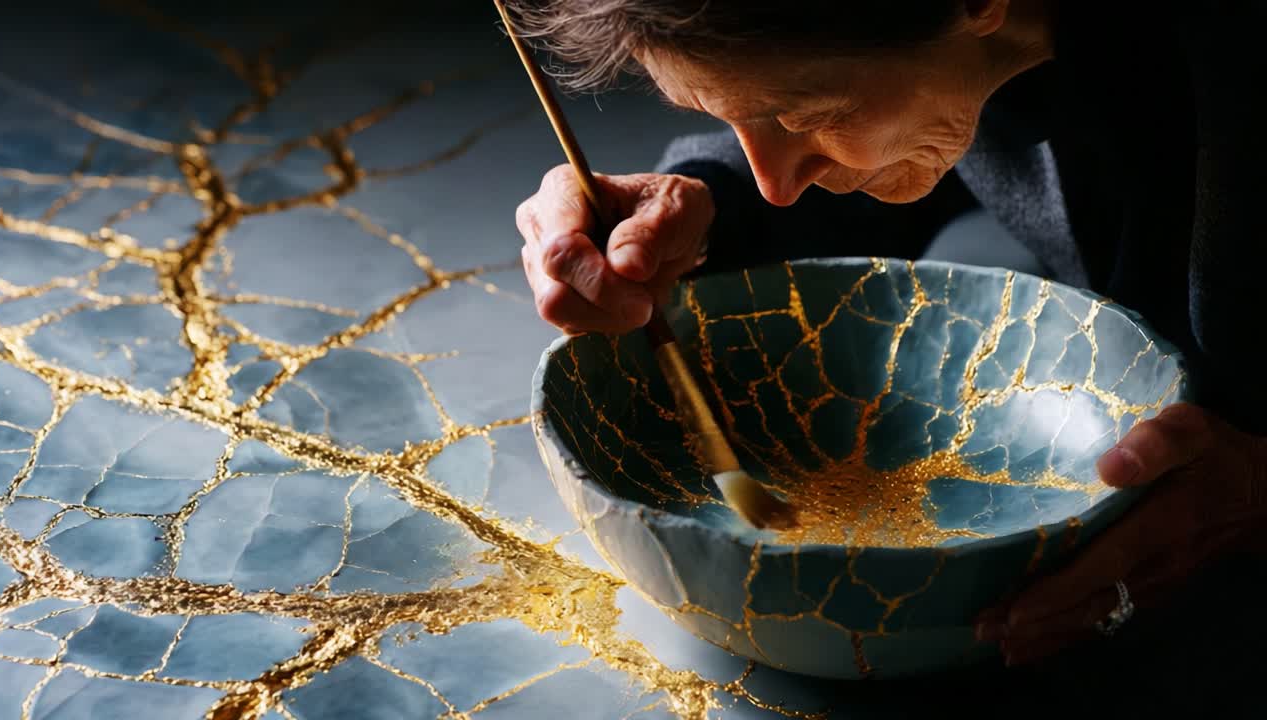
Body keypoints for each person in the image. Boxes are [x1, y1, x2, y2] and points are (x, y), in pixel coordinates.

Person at [506, 0, 1267, 670]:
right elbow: (894, 143)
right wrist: (703, 206)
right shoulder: (951, 44)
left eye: (802, 114)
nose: (775, 184)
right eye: (723, 113)